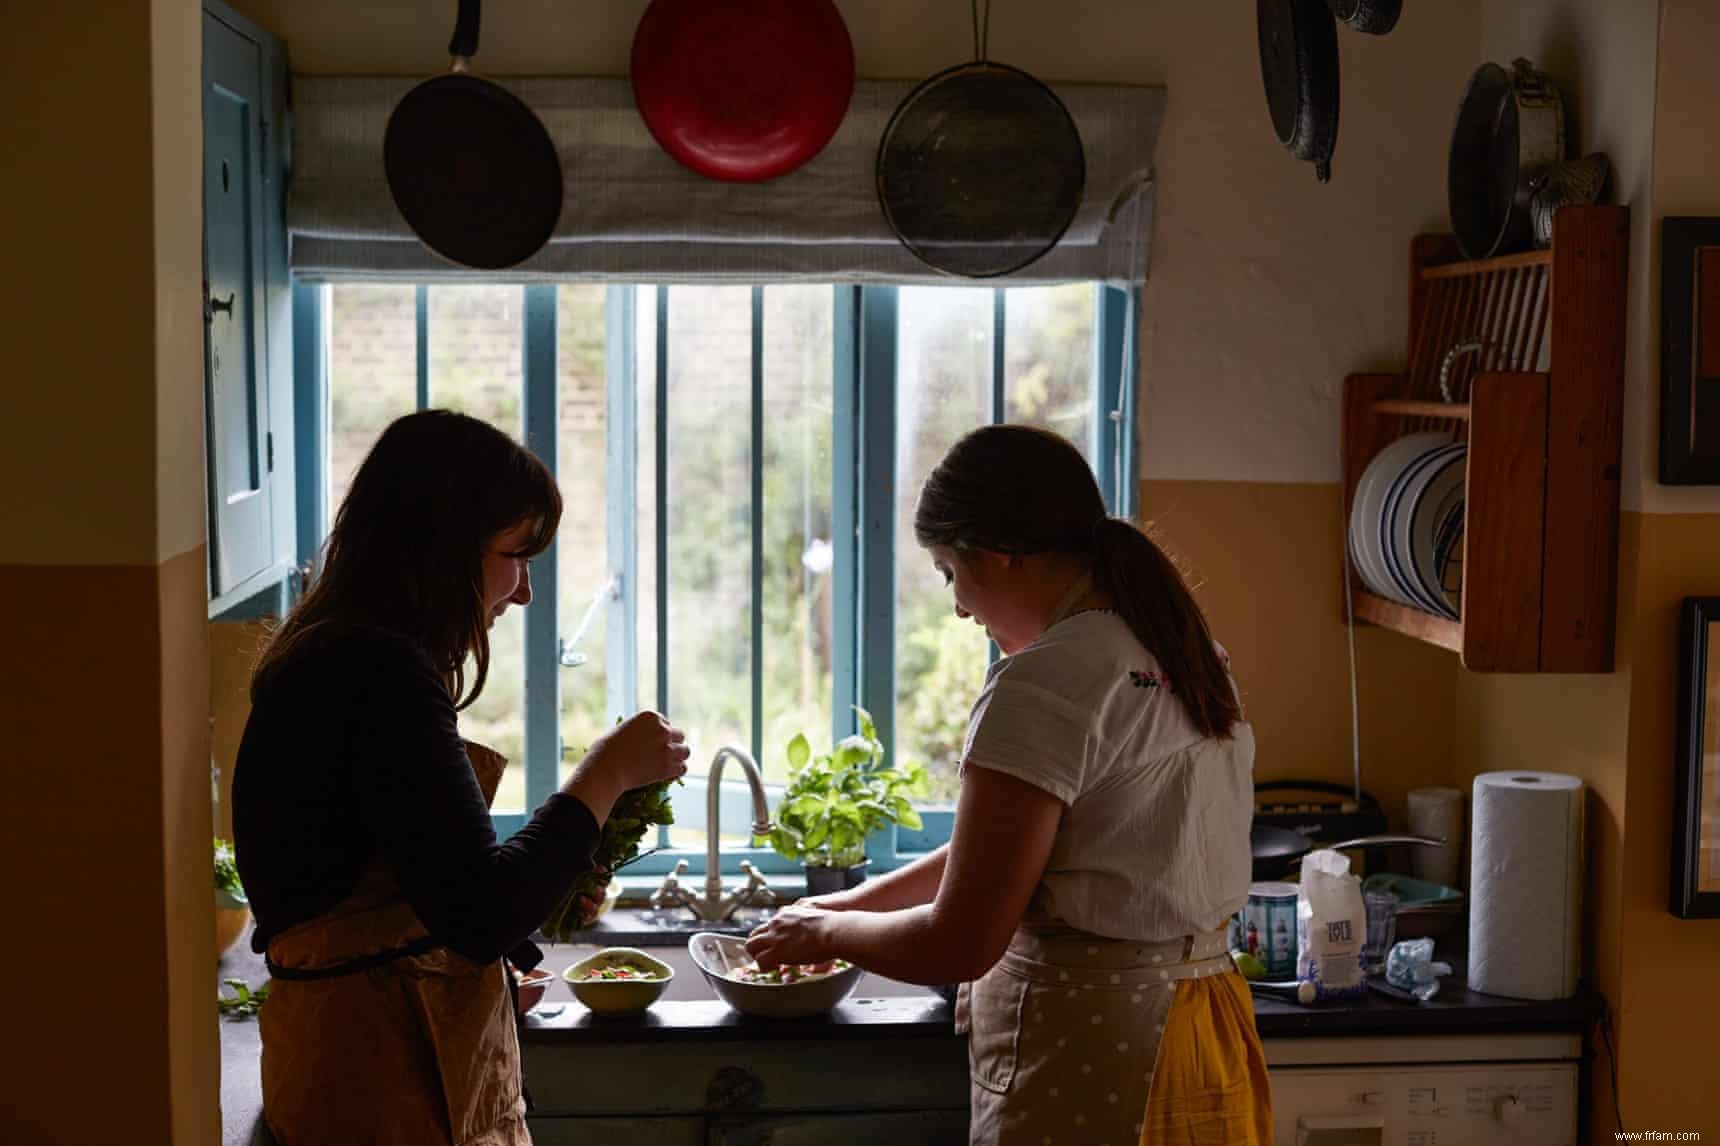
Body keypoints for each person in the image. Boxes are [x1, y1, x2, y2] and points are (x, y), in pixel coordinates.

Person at [745, 425, 1271, 1145]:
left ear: (994, 554)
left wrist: (830, 930)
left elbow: (958, 942)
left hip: (1101, 1048)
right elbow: (1009, 853)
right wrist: (851, 905)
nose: (959, 608)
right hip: (1201, 1026)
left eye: (948, 574)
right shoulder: (1183, 649)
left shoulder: (1043, 681)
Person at [233, 410, 689, 1146]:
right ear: (439, 550)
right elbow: (480, 915)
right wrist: (605, 774)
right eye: (516, 554)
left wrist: (553, 880)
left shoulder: (338, 658)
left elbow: (426, 872)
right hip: (376, 1082)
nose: (524, 592)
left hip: (354, 1064)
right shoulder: (379, 675)